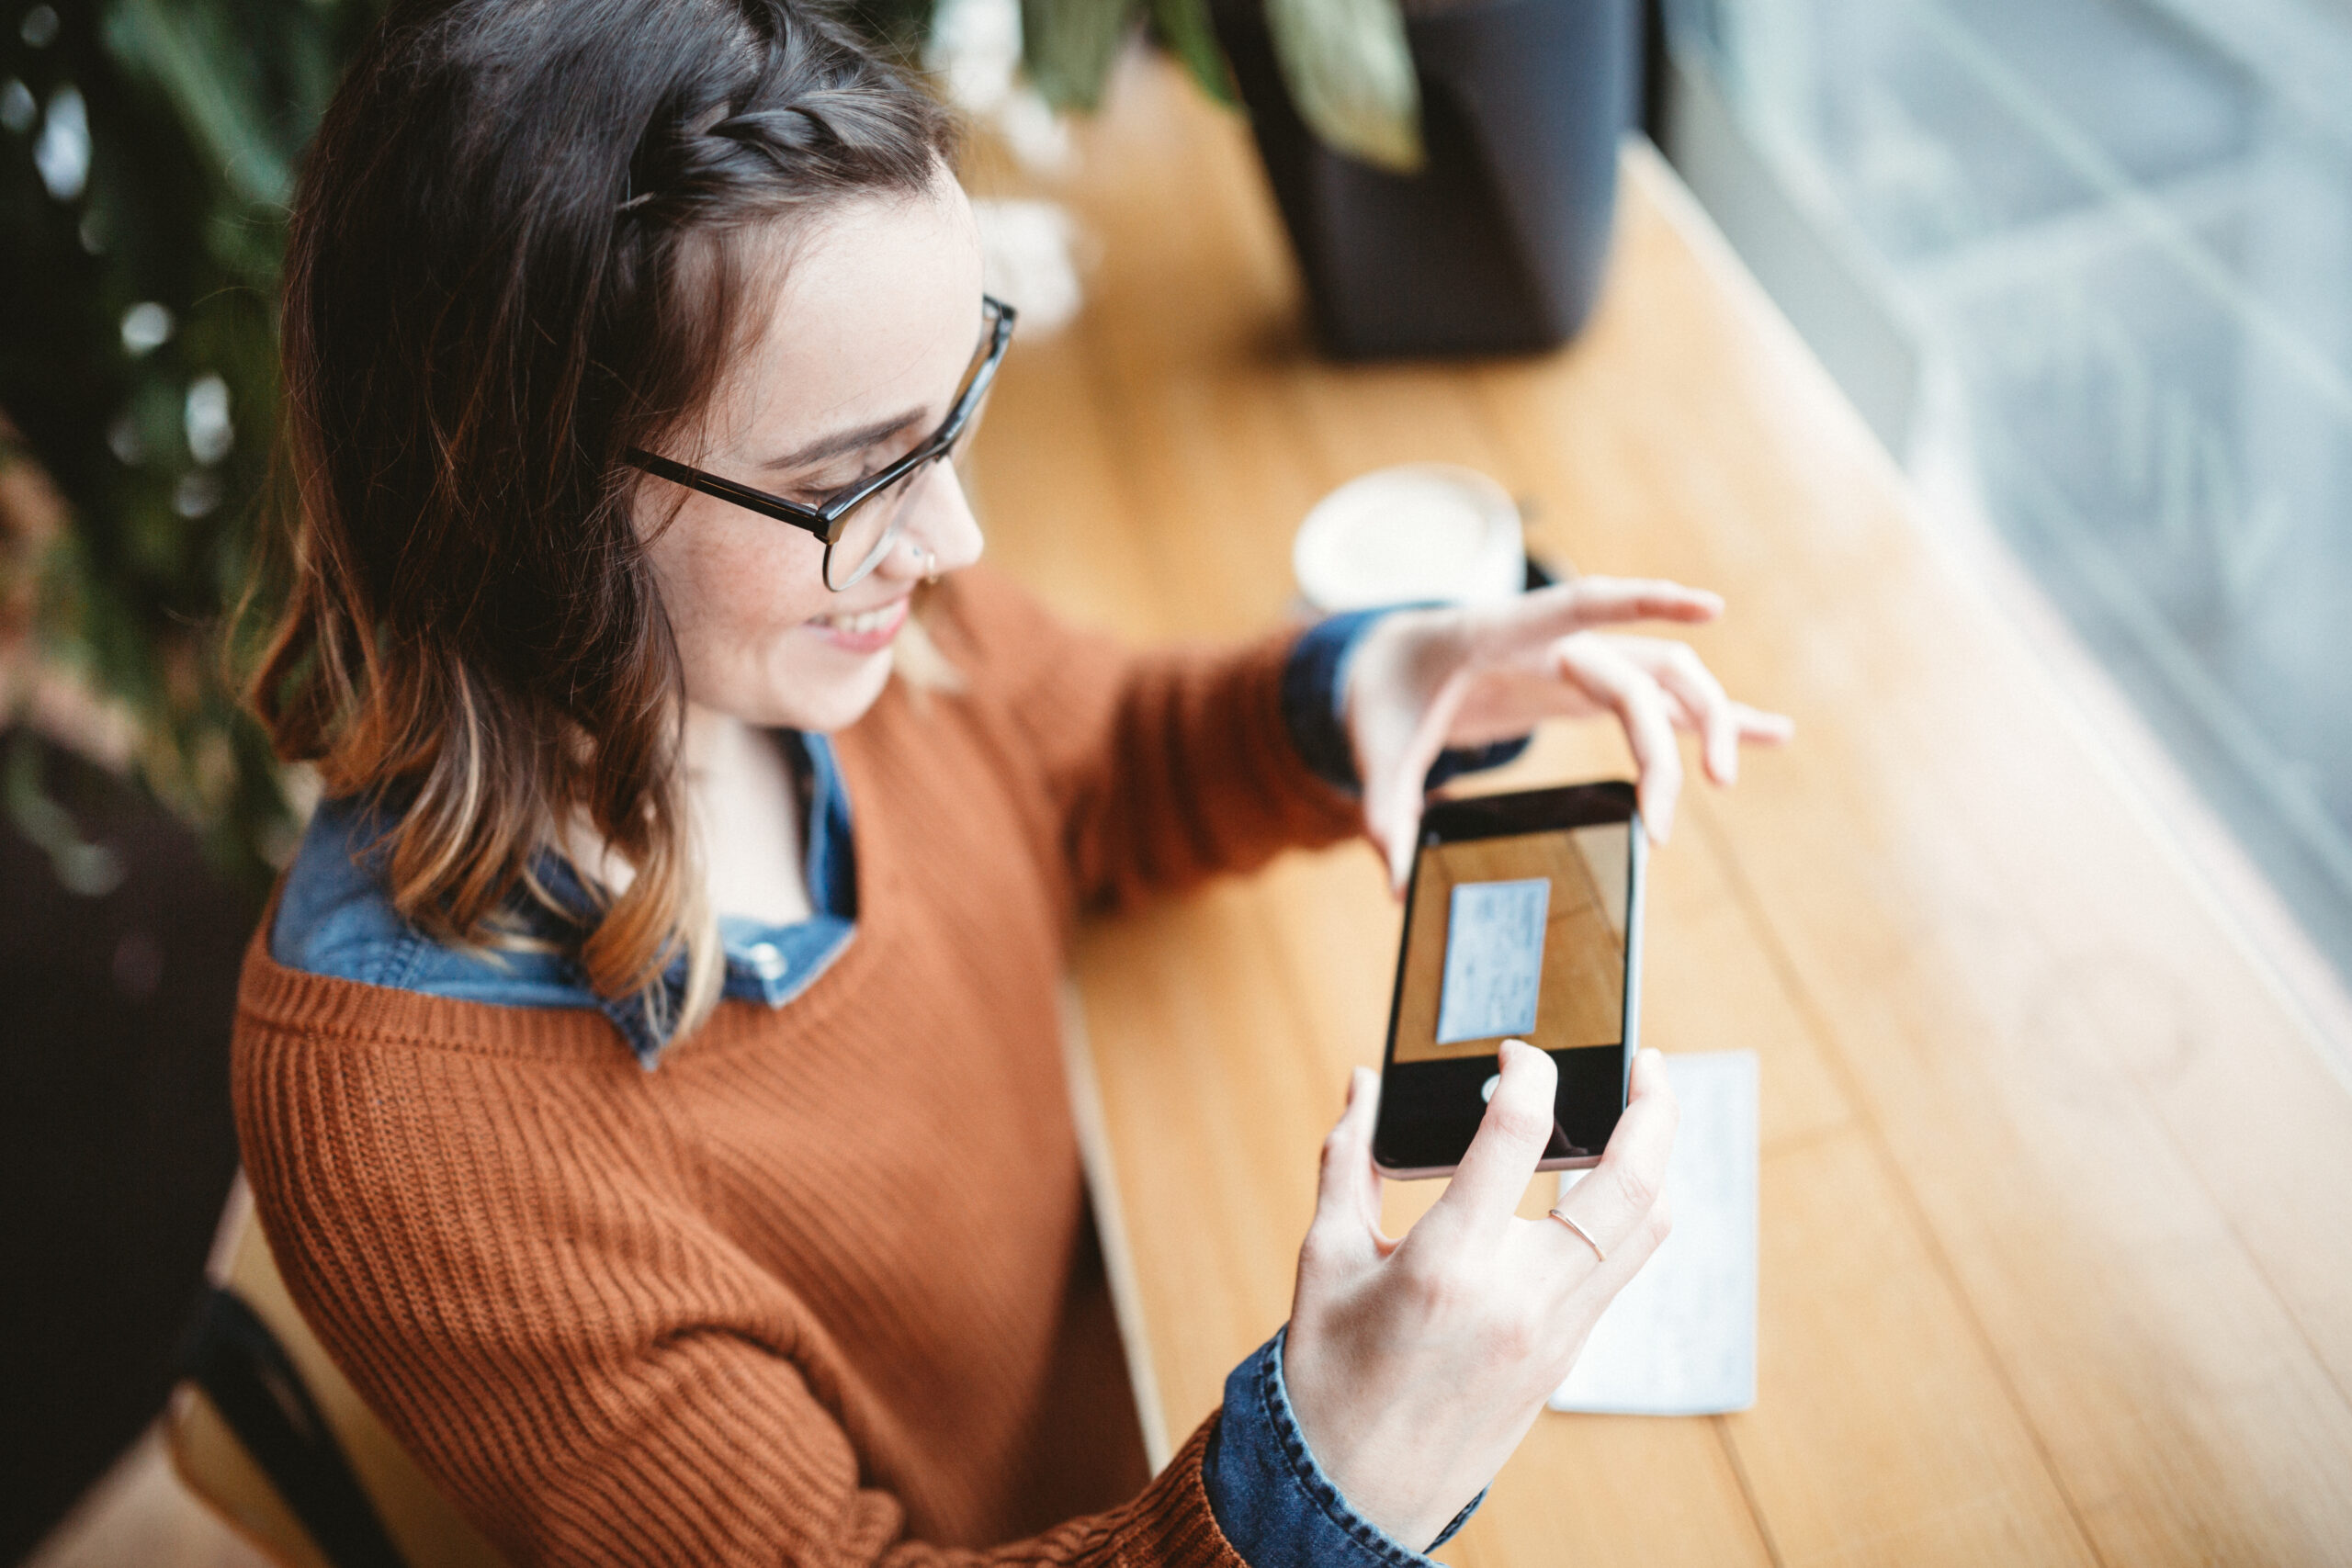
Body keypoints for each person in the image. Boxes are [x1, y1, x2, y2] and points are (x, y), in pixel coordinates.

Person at [234, 0, 1793, 1562]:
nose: (956, 542)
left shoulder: (805, 618)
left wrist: (1356, 690)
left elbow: (1092, 761)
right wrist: (1332, 1485)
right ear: (520, 498)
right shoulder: (417, 1140)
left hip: (1118, 1317)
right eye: (851, 477)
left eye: (955, 411)